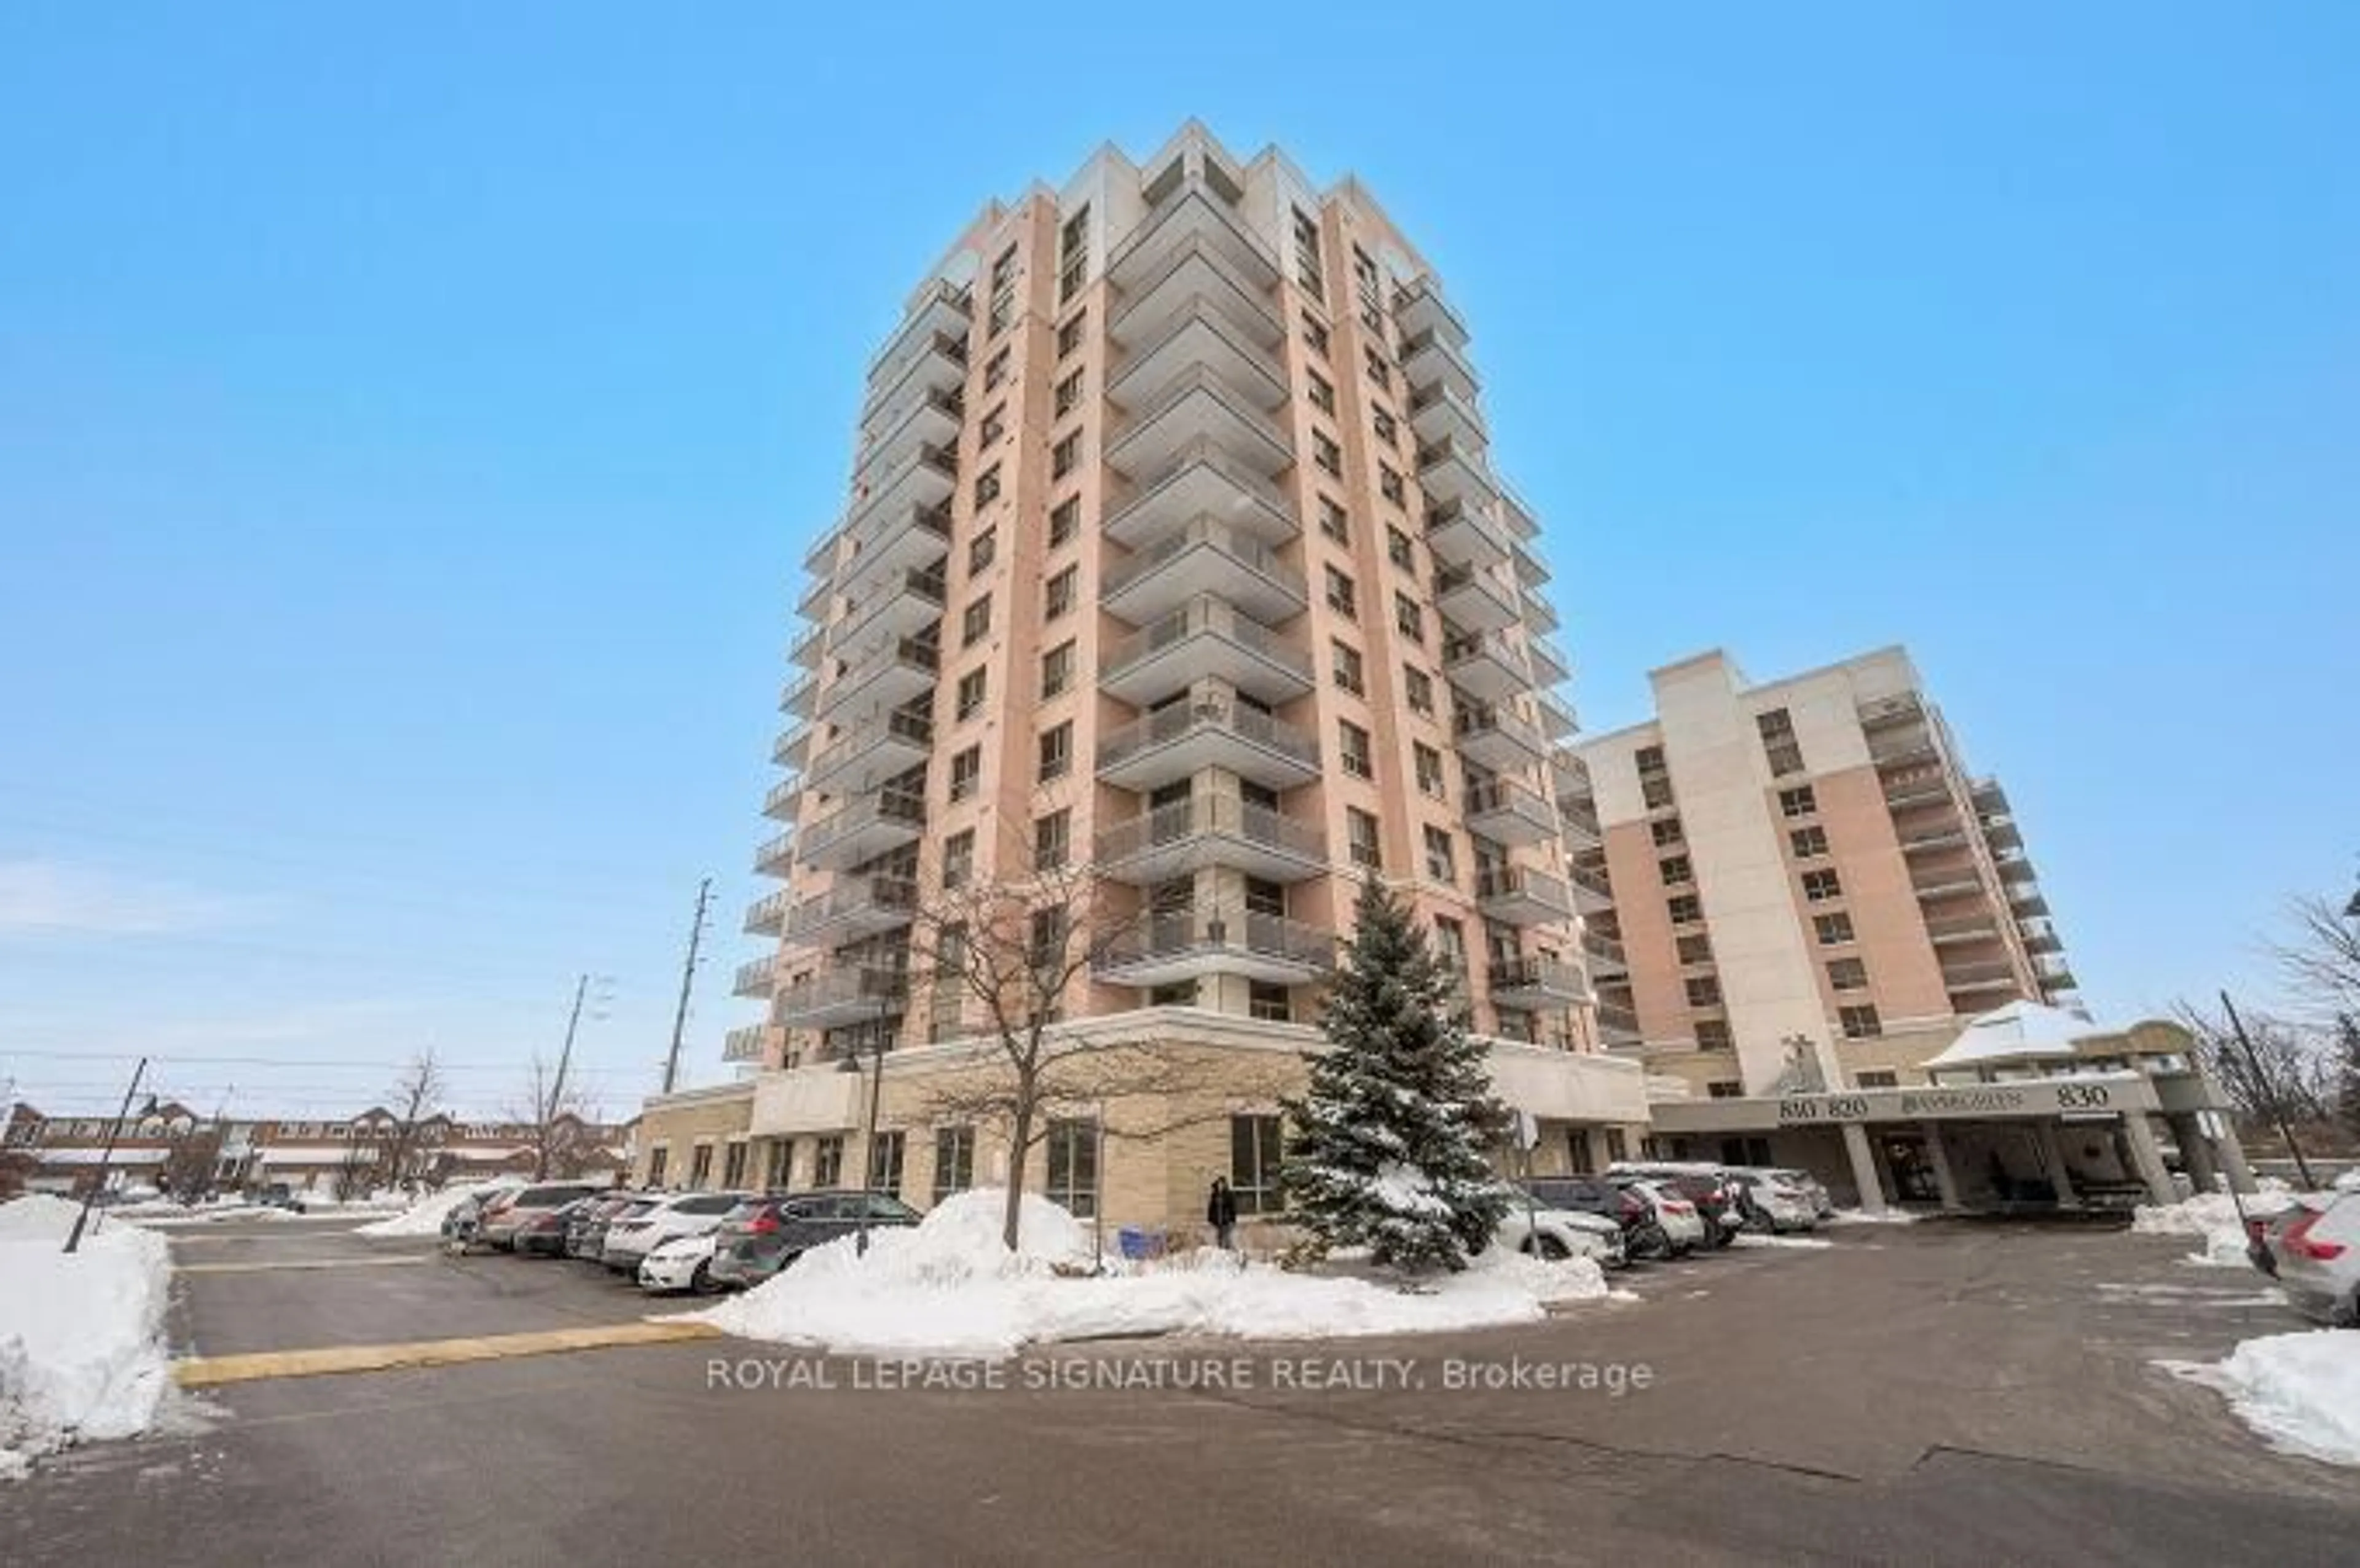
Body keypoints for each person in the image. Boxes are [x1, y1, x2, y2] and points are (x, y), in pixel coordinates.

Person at [1205, 1177, 1238, 1252]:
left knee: (1226, 1237)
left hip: (1227, 1220)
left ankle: (1230, 1252)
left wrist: (1233, 1219)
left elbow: (1232, 1207)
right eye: (1219, 1184)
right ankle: (1222, 1252)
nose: (1220, 1186)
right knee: (1220, 1237)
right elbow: (1212, 1207)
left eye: (1222, 1184)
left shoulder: (1229, 1195)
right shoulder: (1215, 1195)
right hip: (1218, 1220)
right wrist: (1210, 1218)